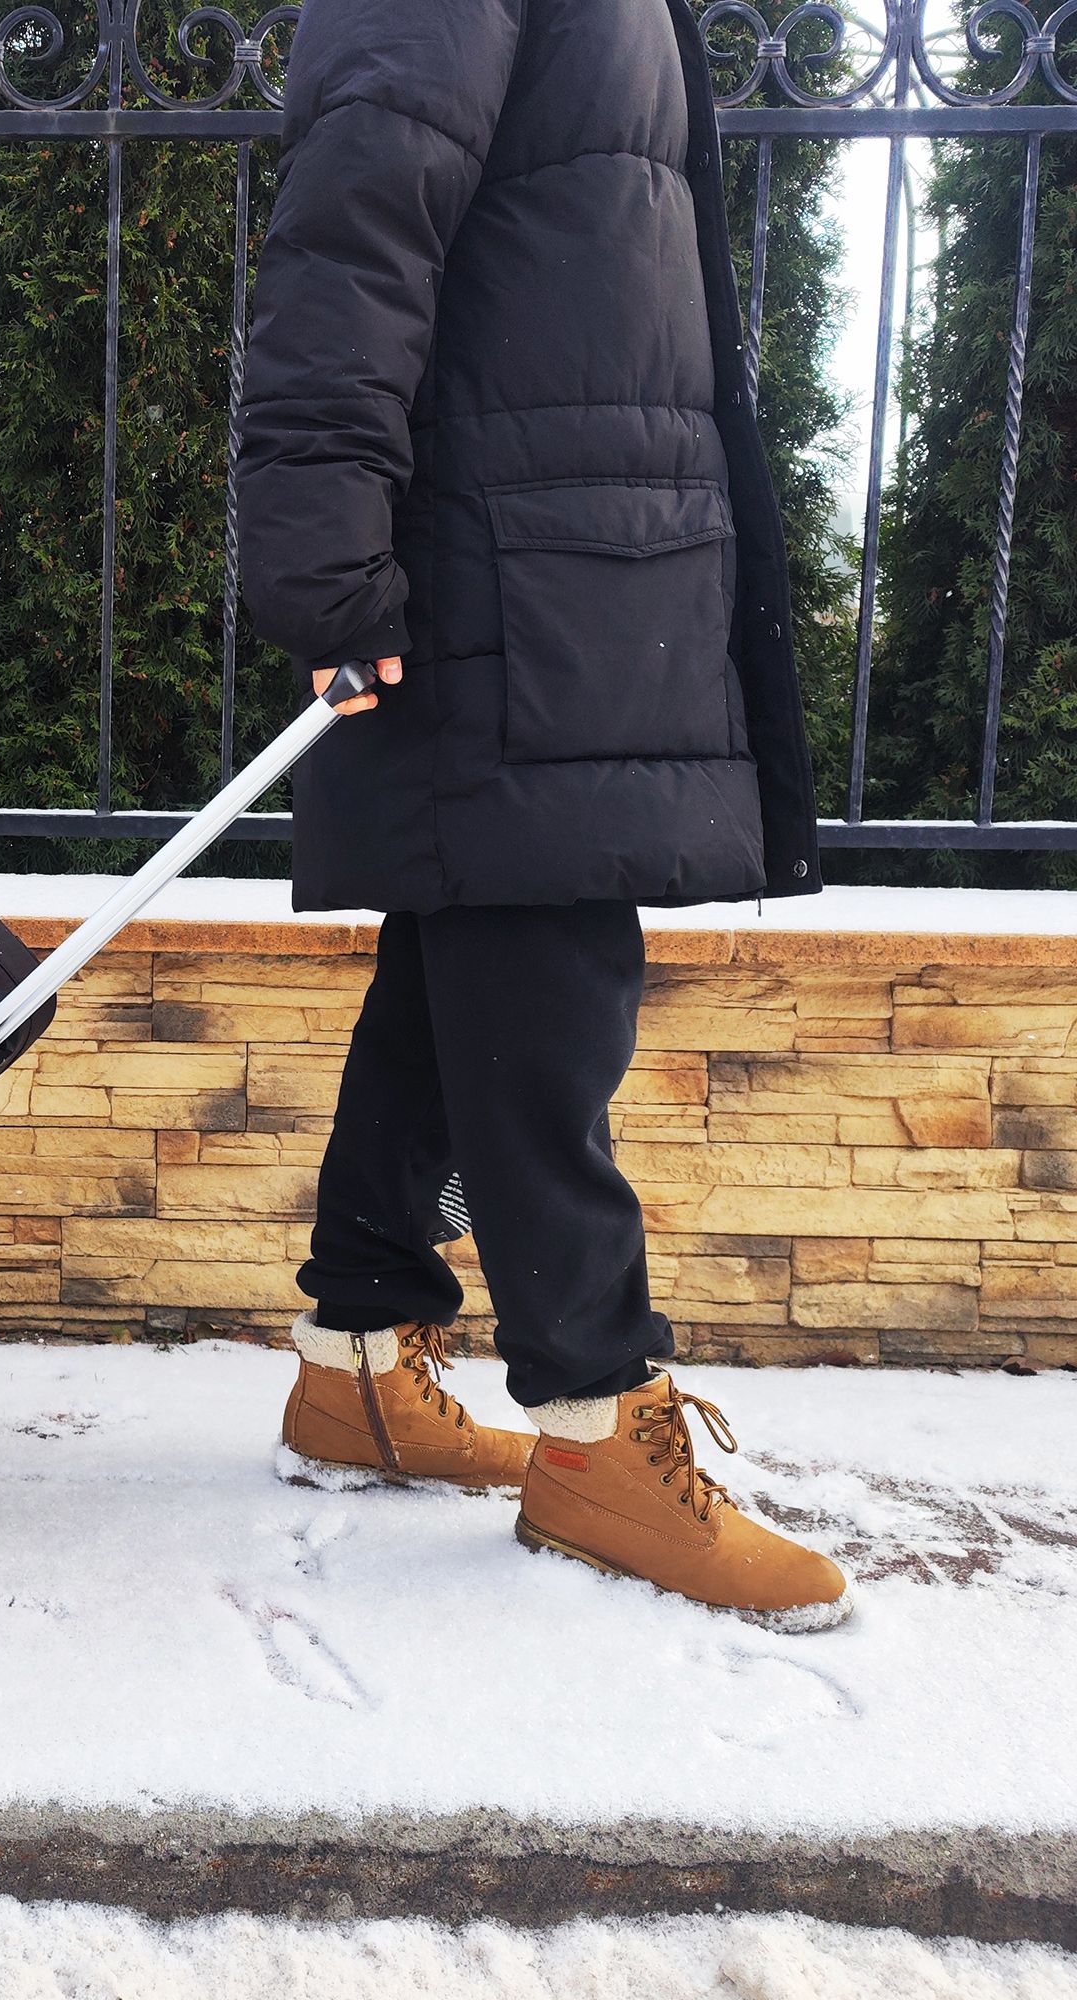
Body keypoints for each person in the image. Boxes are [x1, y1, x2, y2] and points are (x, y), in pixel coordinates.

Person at [233, 0, 849, 1632]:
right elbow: (352, 234)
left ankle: (358, 1362)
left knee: (456, 982)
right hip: (505, 572)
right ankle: (596, 1429)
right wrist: (327, 570)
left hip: (572, 555)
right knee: (548, 991)